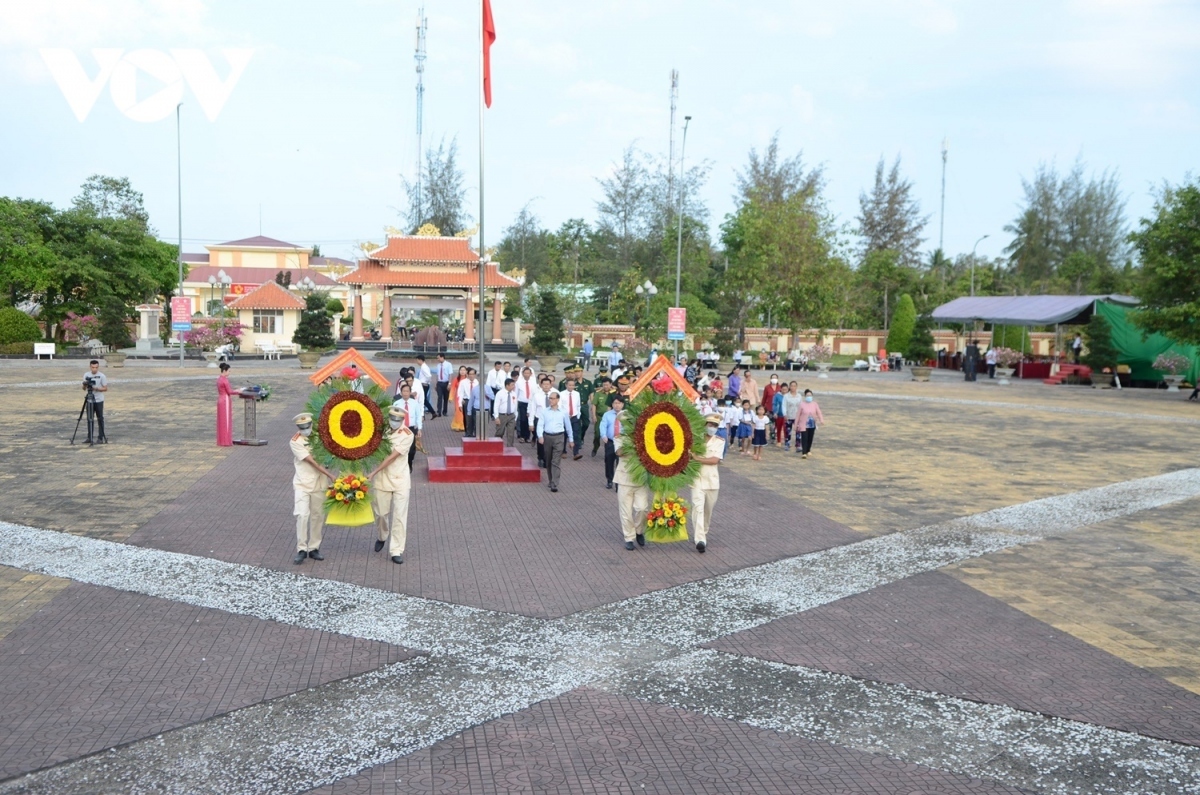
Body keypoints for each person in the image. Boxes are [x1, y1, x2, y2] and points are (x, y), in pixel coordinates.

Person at [367, 405, 416, 564]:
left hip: (400, 479)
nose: (395, 422)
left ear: (402, 420)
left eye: (398, 419)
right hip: (382, 479)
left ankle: (396, 550)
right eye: (392, 419)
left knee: (400, 516)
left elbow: (391, 457)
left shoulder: (407, 435)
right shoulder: (381, 432)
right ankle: (382, 536)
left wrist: (373, 472)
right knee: (381, 513)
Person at [290, 413, 335, 565]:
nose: (305, 430)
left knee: (318, 516)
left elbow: (329, 453)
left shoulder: (319, 437)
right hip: (303, 484)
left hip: (319, 484)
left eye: (307, 427)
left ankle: (314, 547)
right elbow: (312, 461)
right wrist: (330, 474)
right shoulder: (295, 441)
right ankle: (301, 549)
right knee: (302, 515)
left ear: (311, 425)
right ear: (298, 428)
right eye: (301, 428)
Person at [611, 417, 650, 550]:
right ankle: (629, 537)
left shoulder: (644, 437)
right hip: (624, 479)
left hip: (640, 479)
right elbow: (619, 452)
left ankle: (639, 531)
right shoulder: (619, 438)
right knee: (626, 512)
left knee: (642, 509)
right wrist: (633, 444)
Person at [690, 413, 725, 553]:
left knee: (707, 510)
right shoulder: (696, 440)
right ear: (705, 425)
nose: (712, 427)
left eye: (715, 425)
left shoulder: (719, 441)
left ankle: (703, 532)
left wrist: (697, 458)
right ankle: (700, 539)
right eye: (710, 424)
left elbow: (714, 460)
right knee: (697, 508)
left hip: (712, 481)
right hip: (697, 478)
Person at [535, 390, 572, 493]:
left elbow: (568, 426)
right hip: (547, 437)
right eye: (550, 398)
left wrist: (571, 439)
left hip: (559, 437)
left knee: (556, 460)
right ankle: (551, 480)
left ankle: (555, 483)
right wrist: (540, 436)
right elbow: (540, 424)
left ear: (558, 399)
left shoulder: (563, 412)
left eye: (553, 398)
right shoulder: (545, 411)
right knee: (549, 460)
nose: (551, 400)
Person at [392, 382, 423, 471]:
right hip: (401, 429)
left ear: (410, 392)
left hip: (411, 429)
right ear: (401, 392)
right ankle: (404, 467)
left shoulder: (414, 403)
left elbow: (418, 416)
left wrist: (419, 429)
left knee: (412, 450)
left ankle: (409, 463)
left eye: (407, 391)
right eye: (404, 391)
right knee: (401, 448)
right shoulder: (397, 404)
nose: (405, 393)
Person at [598, 394, 624, 489]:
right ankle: (609, 479)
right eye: (615, 403)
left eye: (619, 403)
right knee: (609, 461)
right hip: (610, 441)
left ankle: (618, 482)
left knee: (620, 462)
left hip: (621, 442)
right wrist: (603, 435)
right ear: (612, 404)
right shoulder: (607, 414)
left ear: (622, 404)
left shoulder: (626, 415)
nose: (617, 405)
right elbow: (603, 425)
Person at [793, 388, 825, 459]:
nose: (809, 397)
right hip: (803, 424)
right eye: (807, 395)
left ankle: (808, 450)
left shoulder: (815, 404)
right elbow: (798, 415)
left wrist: (821, 420)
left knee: (810, 438)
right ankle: (804, 452)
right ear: (805, 396)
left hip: (812, 424)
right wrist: (796, 425)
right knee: (804, 438)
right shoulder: (802, 404)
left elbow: (818, 412)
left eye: (810, 395)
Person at [82, 359, 109, 444]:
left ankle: (100, 437)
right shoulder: (86, 375)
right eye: (93, 367)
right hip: (90, 400)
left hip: (99, 400)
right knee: (90, 419)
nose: (94, 369)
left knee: (100, 418)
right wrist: (84, 385)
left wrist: (96, 388)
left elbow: (105, 388)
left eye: (96, 367)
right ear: (90, 367)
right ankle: (90, 437)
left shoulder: (102, 376)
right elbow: (83, 389)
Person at [216, 362, 242, 447]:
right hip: (225, 401)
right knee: (226, 421)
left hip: (220, 399)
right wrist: (238, 391)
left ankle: (221, 440)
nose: (229, 373)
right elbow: (230, 392)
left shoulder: (219, 379)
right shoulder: (225, 380)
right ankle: (226, 440)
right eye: (229, 371)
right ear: (225, 370)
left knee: (221, 421)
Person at [530, 375, 553, 467]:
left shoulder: (555, 394)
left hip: (551, 420)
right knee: (541, 440)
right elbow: (533, 410)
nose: (546, 386)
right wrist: (531, 423)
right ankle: (541, 458)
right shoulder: (537, 396)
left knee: (549, 440)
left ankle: (548, 458)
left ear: (551, 385)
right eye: (544, 384)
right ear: (541, 385)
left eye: (548, 384)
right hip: (539, 420)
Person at [560, 376, 584, 460]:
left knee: (576, 435)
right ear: (566, 385)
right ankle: (563, 451)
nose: (571, 387)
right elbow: (560, 406)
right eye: (569, 385)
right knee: (565, 435)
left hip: (574, 417)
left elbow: (578, 405)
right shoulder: (561, 394)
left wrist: (578, 415)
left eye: (573, 385)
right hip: (565, 417)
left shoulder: (576, 394)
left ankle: (576, 453)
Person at [589, 376, 613, 457]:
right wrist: (593, 416)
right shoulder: (598, 393)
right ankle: (595, 448)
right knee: (597, 434)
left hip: (610, 419)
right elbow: (594, 405)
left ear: (611, 385)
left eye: (607, 385)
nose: (605, 386)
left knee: (609, 435)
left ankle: (608, 452)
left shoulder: (613, 393)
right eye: (604, 385)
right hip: (599, 417)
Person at [493, 377, 518, 446]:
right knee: (500, 432)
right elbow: (496, 405)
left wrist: (515, 416)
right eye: (512, 385)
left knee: (511, 433)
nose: (514, 386)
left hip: (511, 415)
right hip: (502, 415)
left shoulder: (514, 394)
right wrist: (496, 417)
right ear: (507, 385)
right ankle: (496, 446)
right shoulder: (500, 393)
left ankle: (510, 447)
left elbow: (515, 405)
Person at [515, 366, 537, 442]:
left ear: (531, 374)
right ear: (522, 373)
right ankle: (522, 435)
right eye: (525, 373)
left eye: (528, 373)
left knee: (529, 419)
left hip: (531, 403)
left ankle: (527, 437)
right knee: (523, 419)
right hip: (522, 402)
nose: (527, 374)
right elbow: (516, 393)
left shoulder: (533, 381)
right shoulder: (519, 382)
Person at [781, 382, 803, 450]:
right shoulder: (786, 396)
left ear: (796, 387)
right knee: (788, 431)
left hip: (797, 416)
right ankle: (787, 444)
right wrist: (784, 414)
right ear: (789, 387)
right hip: (789, 415)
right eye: (791, 386)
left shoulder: (799, 396)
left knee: (798, 431)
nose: (793, 387)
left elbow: (801, 405)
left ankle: (798, 445)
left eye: (794, 386)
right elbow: (783, 405)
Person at [449, 365, 467, 432]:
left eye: (464, 370)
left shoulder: (467, 380)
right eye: (461, 370)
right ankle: (457, 425)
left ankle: (464, 425)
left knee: (465, 412)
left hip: (466, 398)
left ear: (466, 371)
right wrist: (451, 397)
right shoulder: (456, 379)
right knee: (458, 411)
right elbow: (453, 388)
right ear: (459, 371)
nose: (462, 372)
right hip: (458, 398)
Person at [434, 353, 453, 418]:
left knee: (445, 398)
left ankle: (445, 411)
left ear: (442, 357)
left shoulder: (448, 364)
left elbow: (450, 374)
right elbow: (437, 375)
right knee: (439, 397)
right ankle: (439, 411)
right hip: (439, 383)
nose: (438, 359)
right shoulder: (438, 365)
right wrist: (436, 383)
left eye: (438, 358)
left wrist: (449, 384)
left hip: (446, 383)